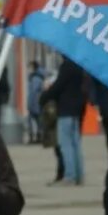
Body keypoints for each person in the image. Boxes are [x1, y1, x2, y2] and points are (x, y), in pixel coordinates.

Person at [41, 57, 90, 185]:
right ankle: (79, 175)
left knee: (66, 144)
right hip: (78, 110)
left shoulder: (67, 67)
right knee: (76, 144)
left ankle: (70, 176)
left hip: (66, 110)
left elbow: (58, 86)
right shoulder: (80, 65)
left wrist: (44, 97)